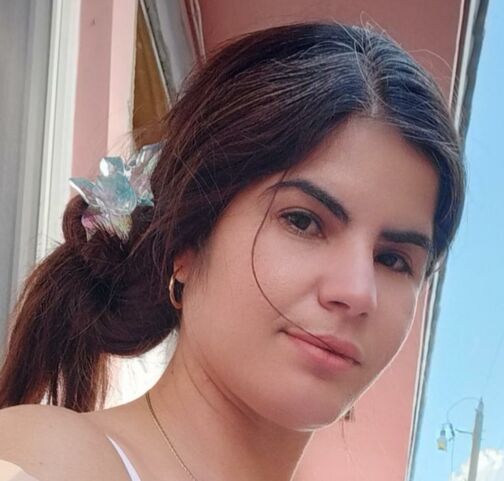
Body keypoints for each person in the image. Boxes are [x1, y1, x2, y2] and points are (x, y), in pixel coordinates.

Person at [0, 21, 465, 481]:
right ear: (186, 242)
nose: (359, 292)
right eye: (302, 221)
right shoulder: (50, 460)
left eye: (393, 260)